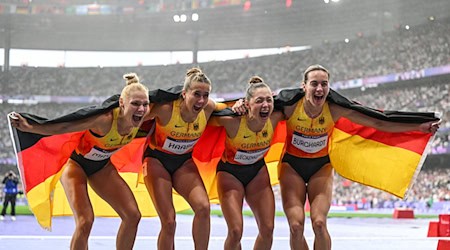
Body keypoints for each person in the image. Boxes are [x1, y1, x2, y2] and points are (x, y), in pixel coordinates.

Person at [232, 64, 440, 250]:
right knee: (296, 226)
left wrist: (419, 126)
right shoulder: (289, 106)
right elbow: (257, 111)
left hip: (321, 168)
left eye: (324, 84)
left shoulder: (335, 108)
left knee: (319, 223)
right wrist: (240, 104)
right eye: (314, 84)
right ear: (304, 87)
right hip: (291, 167)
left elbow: (379, 122)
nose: (319, 89)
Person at [9, 73, 150, 250]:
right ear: (122, 103)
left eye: (145, 104)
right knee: (85, 221)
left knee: (133, 215)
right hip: (75, 165)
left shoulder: (145, 119)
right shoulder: (104, 120)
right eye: (135, 104)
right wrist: (31, 127)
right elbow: (66, 126)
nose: (141, 109)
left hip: (102, 167)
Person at [142, 67, 216, 250]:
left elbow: (233, 110)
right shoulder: (166, 109)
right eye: (196, 94)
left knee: (203, 208)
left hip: (183, 162)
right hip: (156, 161)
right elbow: (134, 115)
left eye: (205, 95)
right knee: (169, 221)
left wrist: (243, 105)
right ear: (184, 94)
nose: (201, 100)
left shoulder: (209, 108)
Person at [210, 76, 283, 250]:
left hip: (258, 173)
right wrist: (229, 106)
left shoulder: (276, 116)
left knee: (268, 229)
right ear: (248, 104)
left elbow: (300, 101)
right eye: (259, 101)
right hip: (230, 174)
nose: (265, 105)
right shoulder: (233, 120)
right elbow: (204, 116)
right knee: (235, 231)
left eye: (268, 100)